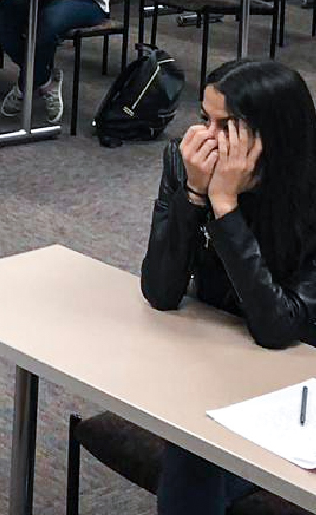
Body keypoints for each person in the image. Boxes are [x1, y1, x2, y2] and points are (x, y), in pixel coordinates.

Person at [140, 58, 316, 515]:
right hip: (218, 352)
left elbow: (280, 329)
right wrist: (195, 195)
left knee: (196, 459)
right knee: (194, 448)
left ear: (272, 133)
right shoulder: (186, 162)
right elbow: (160, 292)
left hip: (298, 379)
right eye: (205, 119)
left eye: (227, 125)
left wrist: (224, 205)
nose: (206, 138)